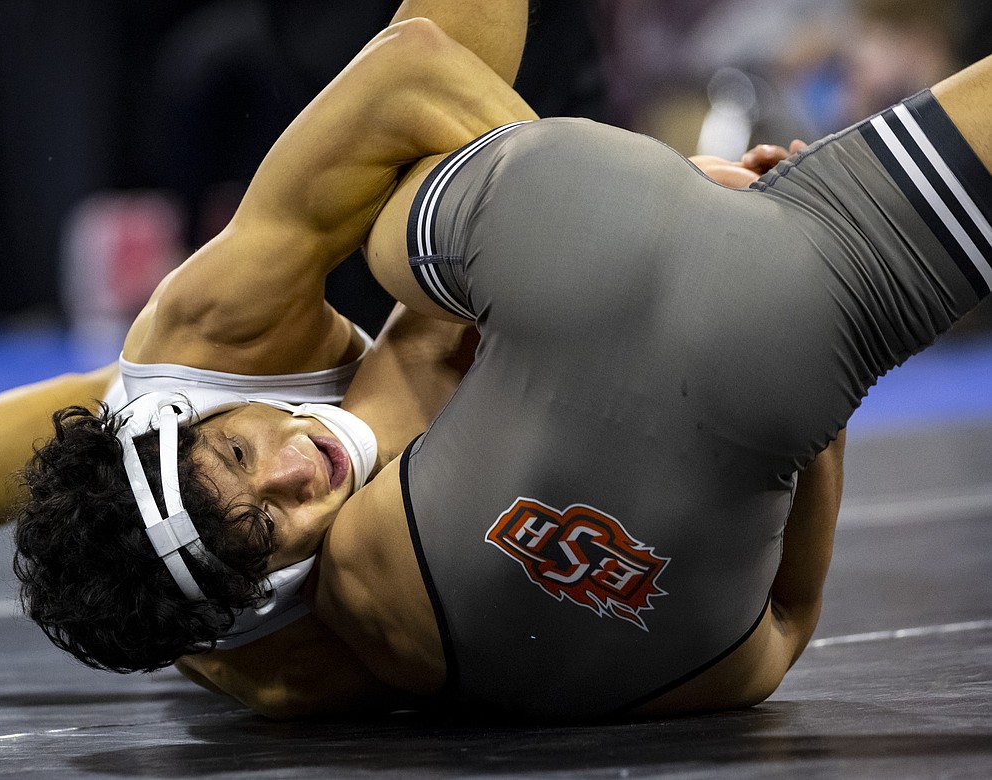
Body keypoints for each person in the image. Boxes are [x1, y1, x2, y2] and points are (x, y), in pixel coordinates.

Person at [173, 19, 992, 721]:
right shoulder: (354, 558)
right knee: (422, 227)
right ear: (270, 592)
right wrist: (677, 203)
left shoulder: (355, 618)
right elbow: (416, 66)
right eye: (270, 524)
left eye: (242, 457)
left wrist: (822, 389)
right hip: (608, 237)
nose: (294, 470)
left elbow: (788, 624)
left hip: (798, 325)